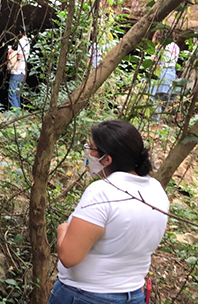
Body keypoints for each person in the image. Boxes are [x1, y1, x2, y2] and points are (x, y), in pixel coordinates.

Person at [49, 119, 169, 304]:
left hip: (86, 296)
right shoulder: (156, 190)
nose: (87, 152)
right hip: (134, 294)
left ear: (106, 159)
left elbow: (69, 256)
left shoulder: (103, 191)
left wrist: (63, 228)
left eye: (92, 148)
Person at [149, 31, 180, 121]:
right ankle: (159, 120)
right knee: (164, 100)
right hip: (171, 73)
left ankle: (155, 122)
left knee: (154, 99)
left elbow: (156, 61)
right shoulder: (176, 47)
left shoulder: (160, 47)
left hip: (161, 73)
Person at [8, 29, 30, 110]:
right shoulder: (28, 42)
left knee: (12, 94)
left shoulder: (21, 40)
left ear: (20, 32)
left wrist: (11, 54)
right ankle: (19, 114)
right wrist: (15, 51)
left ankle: (16, 115)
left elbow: (20, 56)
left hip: (17, 71)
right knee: (17, 94)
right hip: (23, 71)